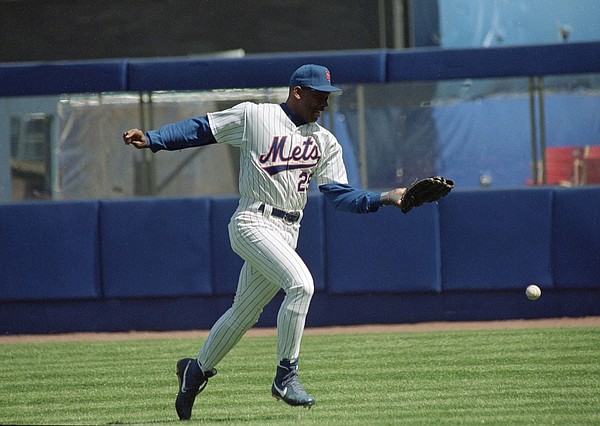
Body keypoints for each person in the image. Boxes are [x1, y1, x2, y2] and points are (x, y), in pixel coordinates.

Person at [123, 64, 407, 420]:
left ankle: (194, 371)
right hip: (252, 221)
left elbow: (339, 195)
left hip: (288, 231)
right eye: (318, 95)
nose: (324, 103)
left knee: (243, 314)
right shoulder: (256, 116)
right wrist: (153, 138)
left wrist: (384, 197)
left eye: (328, 97)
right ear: (297, 92)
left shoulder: (324, 141)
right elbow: (203, 129)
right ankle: (286, 375)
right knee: (301, 285)